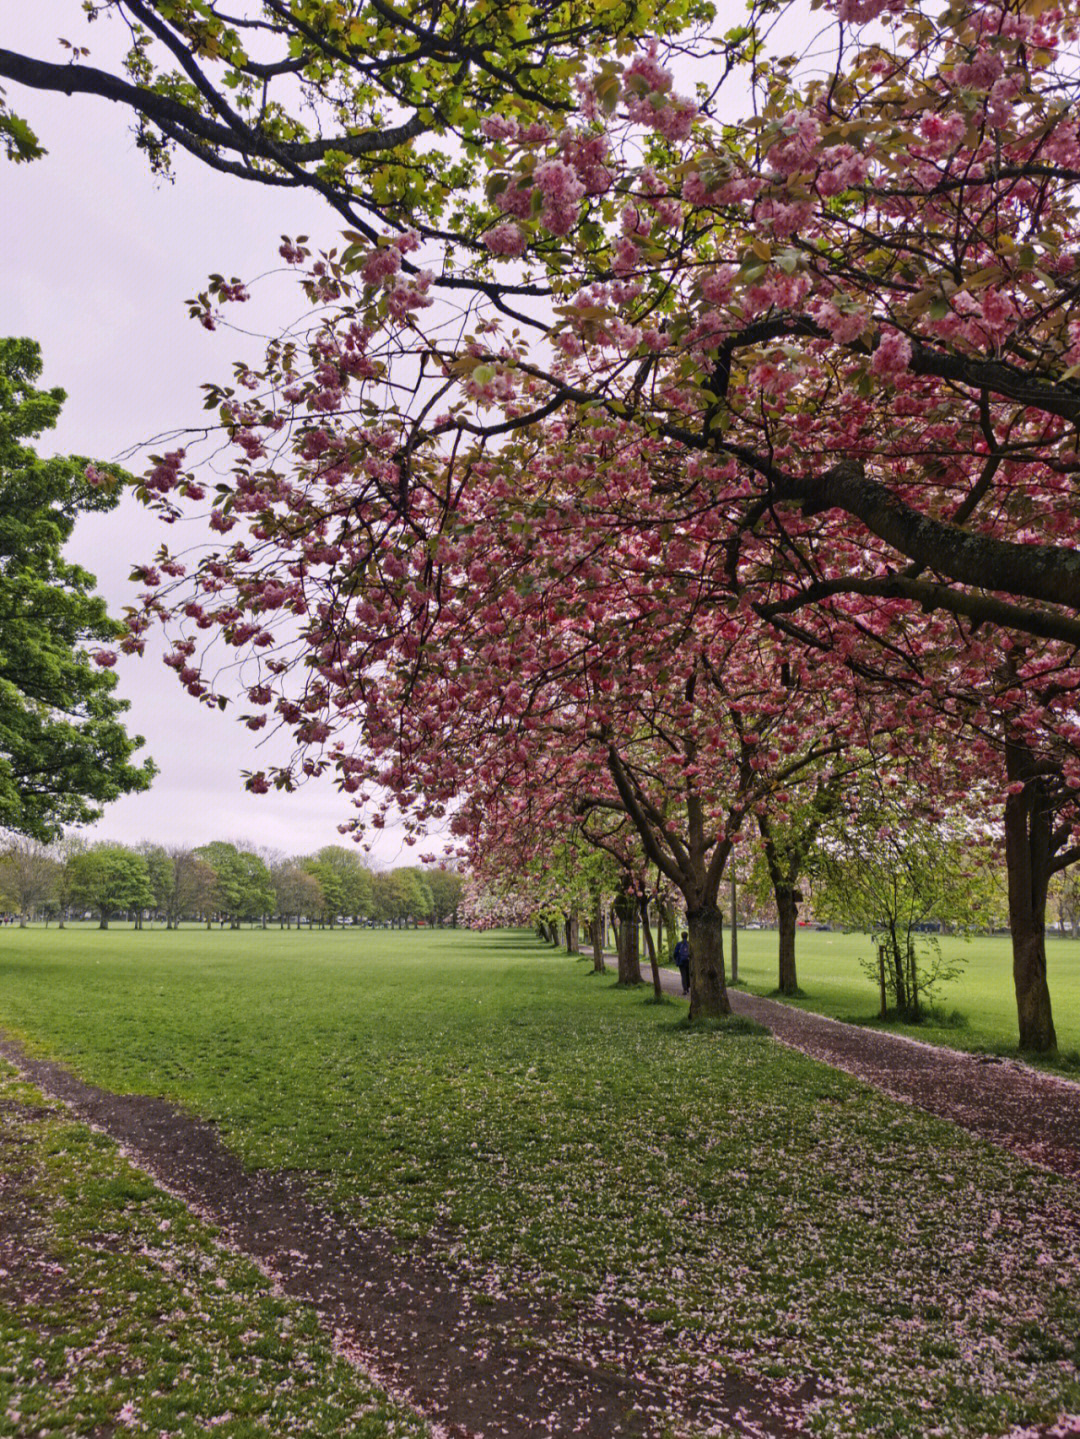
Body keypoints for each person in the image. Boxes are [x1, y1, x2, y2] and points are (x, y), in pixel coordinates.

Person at [673, 931, 690, 996]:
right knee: (688, 974)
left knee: (683, 975)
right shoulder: (689, 943)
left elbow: (675, 953)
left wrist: (676, 959)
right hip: (688, 961)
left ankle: (685, 989)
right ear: (687, 936)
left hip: (681, 962)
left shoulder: (679, 944)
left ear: (681, 936)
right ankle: (688, 986)